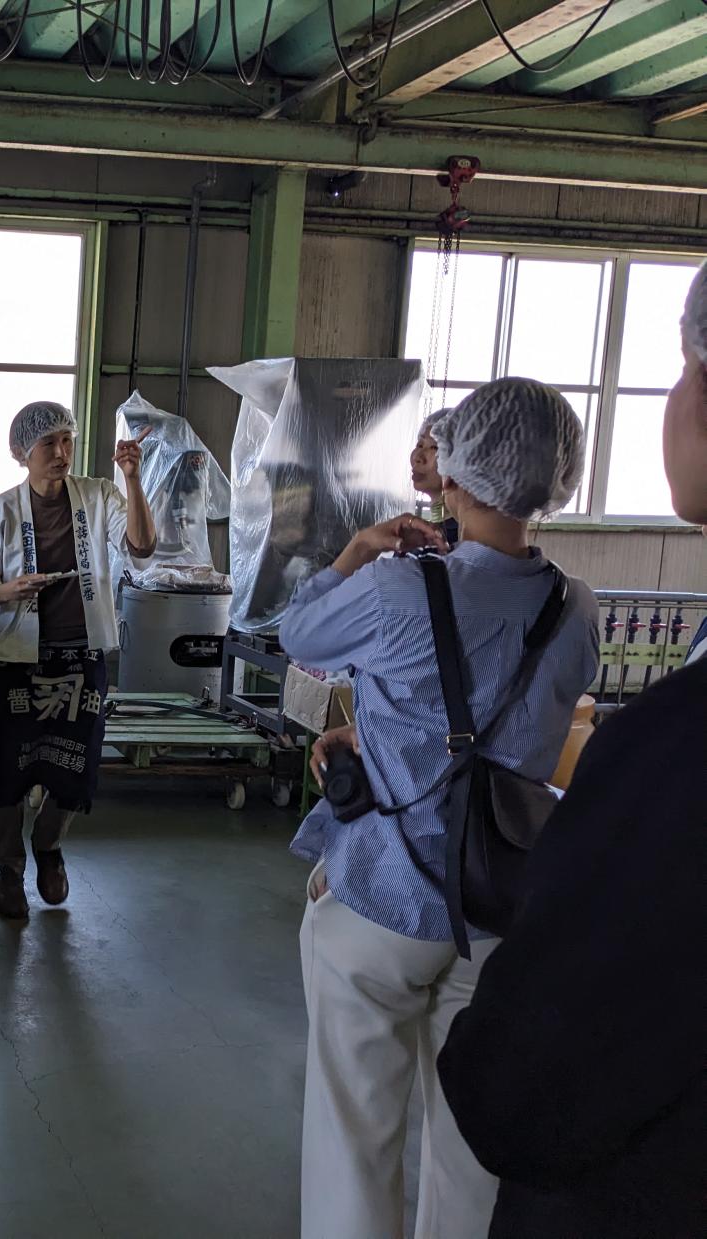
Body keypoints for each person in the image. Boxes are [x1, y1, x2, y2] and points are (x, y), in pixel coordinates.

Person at [283, 377, 601, 1239]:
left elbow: (298, 637)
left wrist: (355, 551)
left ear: (454, 475)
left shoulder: (400, 589)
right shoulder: (576, 611)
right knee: (469, 1152)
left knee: (354, 1138)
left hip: (381, 903)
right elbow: (524, 737)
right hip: (500, 902)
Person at [436, 263, 707, 1238]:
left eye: (683, 365)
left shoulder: (667, 760)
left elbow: (521, 1095)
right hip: (499, 868)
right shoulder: (578, 607)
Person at [0, 401, 156, 919]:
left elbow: (142, 545)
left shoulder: (98, 496)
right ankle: (9, 872)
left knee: (76, 767)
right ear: (23, 452)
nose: (62, 453)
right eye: (50, 444)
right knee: (14, 770)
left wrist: (132, 479)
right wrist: (11, 590)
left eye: (67, 441)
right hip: (22, 660)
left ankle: (48, 847)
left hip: (82, 656)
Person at [411, 407, 460, 549]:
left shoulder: (458, 539)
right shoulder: (425, 533)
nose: (417, 457)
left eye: (434, 447)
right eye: (419, 445)